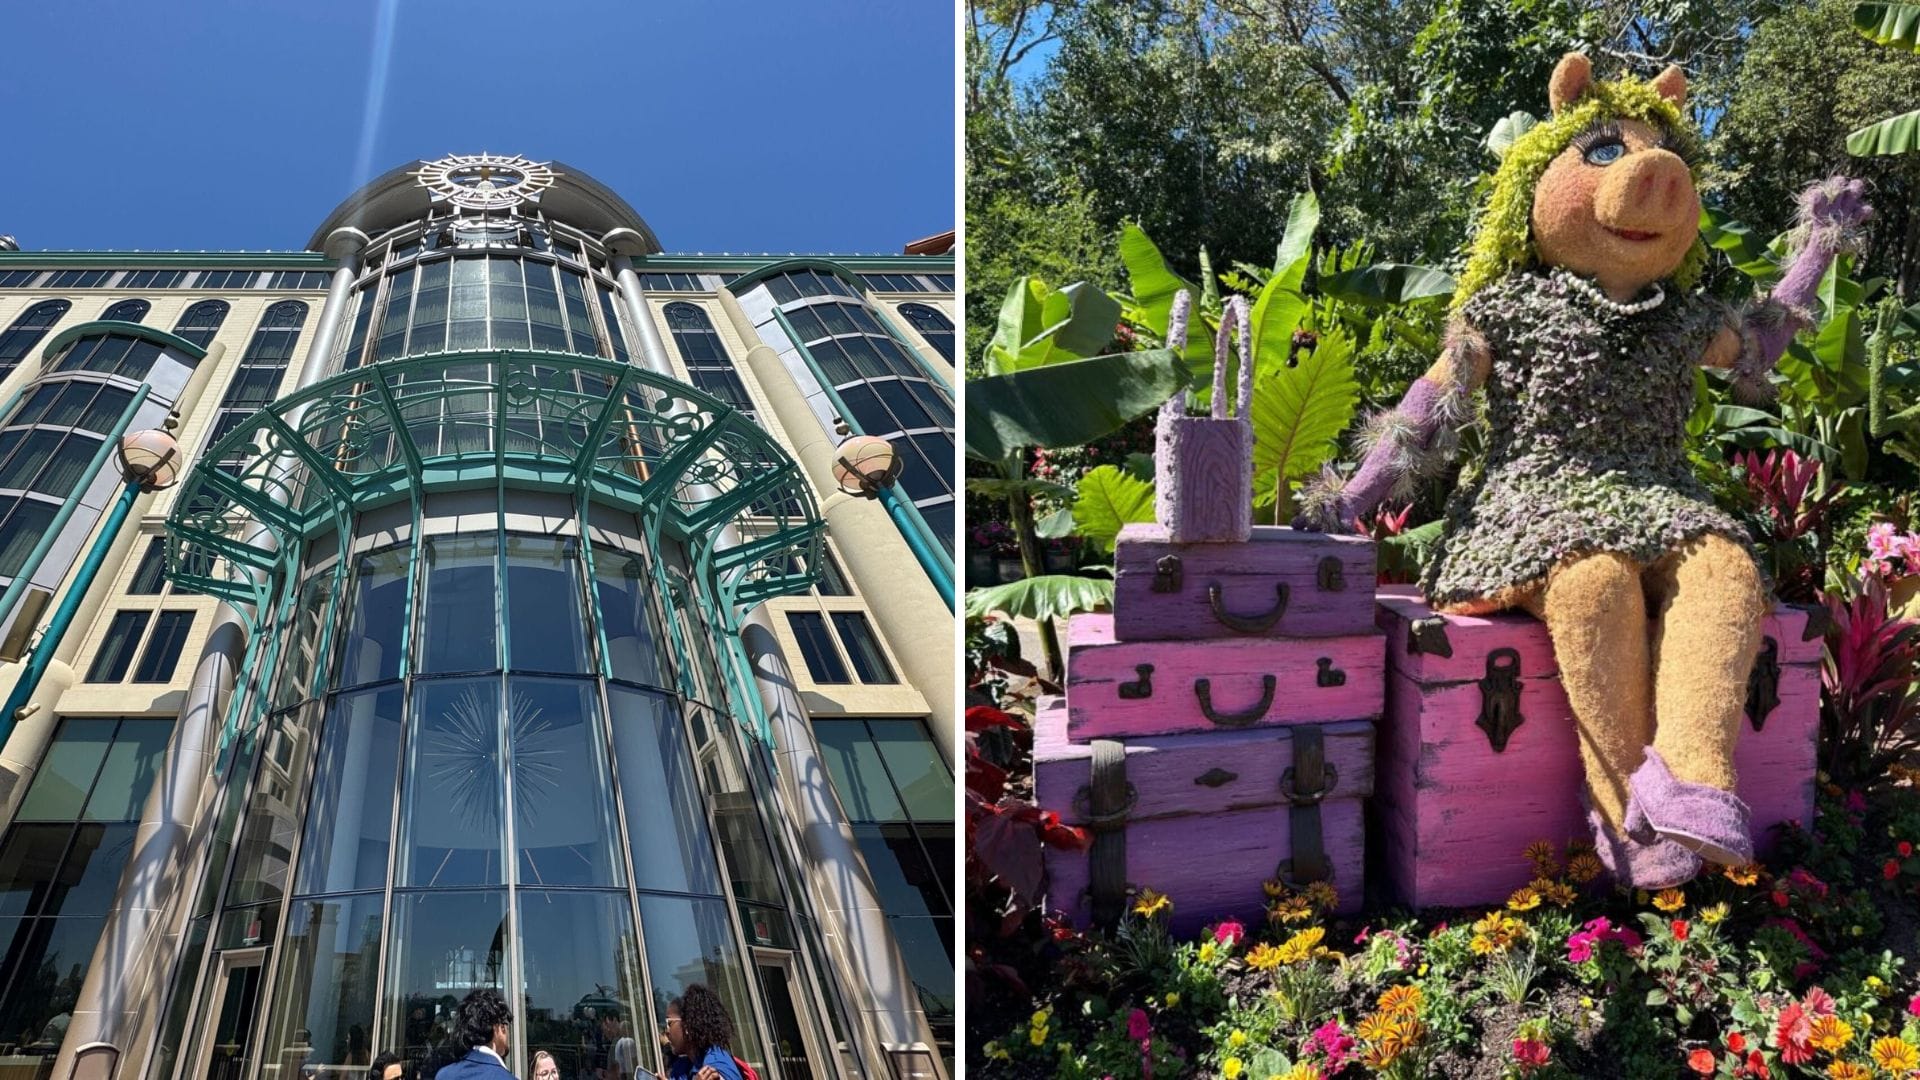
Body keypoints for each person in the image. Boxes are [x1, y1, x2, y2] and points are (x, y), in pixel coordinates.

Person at [430, 989, 517, 1080]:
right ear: (497, 1027)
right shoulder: (506, 1077)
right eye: (505, 1025)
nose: (506, 1031)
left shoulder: (444, 1075)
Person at [662, 986, 743, 1080]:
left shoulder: (714, 1067)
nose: (667, 1031)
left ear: (687, 1025)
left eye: (669, 1023)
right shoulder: (684, 1066)